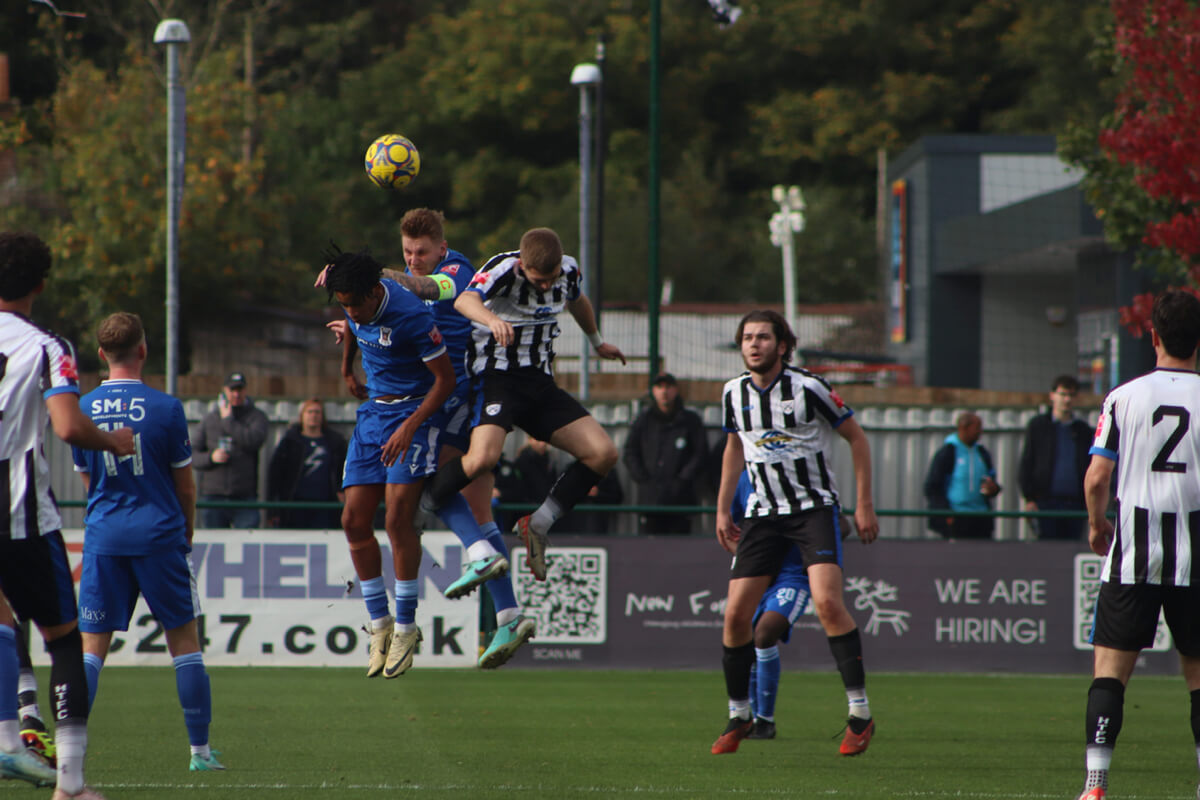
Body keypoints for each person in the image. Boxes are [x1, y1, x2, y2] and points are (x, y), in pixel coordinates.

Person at [320, 208, 537, 669]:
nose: (415, 260)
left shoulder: (454, 271)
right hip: (404, 400)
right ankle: (507, 609)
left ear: (441, 247)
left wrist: (373, 270)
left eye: (423, 251)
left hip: (457, 390)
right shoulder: (373, 298)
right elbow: (370, 320)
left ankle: (478, 577)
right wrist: (349, 350)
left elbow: (425, 290)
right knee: (455, 501)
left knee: (435, 492)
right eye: (407, 252)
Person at [0, 230, 136, 799]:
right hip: (21, 513)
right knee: (62, 639)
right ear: (41, 284)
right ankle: (71, 786)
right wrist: (115, 442)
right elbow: (67, 426)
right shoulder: (48, 346)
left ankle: (8, 738)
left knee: (3, 624)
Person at [712, 309, 879, 757]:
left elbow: (857, 439)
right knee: (735, 617)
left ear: (782, 345)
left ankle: (860, 713)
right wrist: (722, 508)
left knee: (827, 602)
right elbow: (733, 447)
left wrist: (863, 504)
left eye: (763, 337)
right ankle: (740, 714)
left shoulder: (809, 388)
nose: (754, 344)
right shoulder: (732, 393)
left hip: (813, 511)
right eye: (747, 337)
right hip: (762, 515)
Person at [421, 227, 627, 581]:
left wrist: (597, 341)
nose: (546, 286)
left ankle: (539, 523)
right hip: (497, 380)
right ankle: (424, 501)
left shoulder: (569, 271)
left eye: (551, 279)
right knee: (483, 458)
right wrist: (492, 319)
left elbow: (578, 299)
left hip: (540, 385)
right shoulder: (503, 269)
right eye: (538, 279)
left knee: (604, 452)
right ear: (522, 265)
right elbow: (463, 301)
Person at [70, 311, 224, 772]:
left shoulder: (82, 408)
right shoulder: (166, 408)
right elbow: (187, 486)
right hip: (159, 535)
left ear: (101, 354)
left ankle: (69, 755)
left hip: (105, 537)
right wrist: (187, 531)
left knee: (90, 651)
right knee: (185, 642)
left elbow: (87, 483)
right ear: (143, 349)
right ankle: (199, 753)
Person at [1073, 290, 1200, 800]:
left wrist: (1096, 523)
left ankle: (1096, 782)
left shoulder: (1122, 397)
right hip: (1196, 556)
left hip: (1133, 554)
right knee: (1197, 676)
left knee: (1110, 673)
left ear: (1153, 337)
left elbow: (1096, 476)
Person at [729, 470, 813, 741]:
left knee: (764, 634)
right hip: (754, 576)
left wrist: (808, 550)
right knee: (747, 640)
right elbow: (732, 528)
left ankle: (765, 720)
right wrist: (750, 556)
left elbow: (840, 525)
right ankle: (750, 718)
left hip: (791, 577)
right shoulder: (744, 479)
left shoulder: (800, 472)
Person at [622, 372, 708, 535]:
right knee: (649, 550)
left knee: (679, 551)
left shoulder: (690, 420)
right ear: (653, 391)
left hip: (681, 502)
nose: (664, 392)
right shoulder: (644, 420)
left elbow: (700, 454)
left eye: (668, 387)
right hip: (650, 502)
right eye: (659, 387)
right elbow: (630, 452)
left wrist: (682, 480)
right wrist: (644, 479)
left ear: (675, 390)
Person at [1018, 375, 1092, 540]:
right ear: (1052, 395)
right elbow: (1027, 462)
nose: (1067, 400)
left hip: (1075, 505)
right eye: (1062, 394)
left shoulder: (1083, 431)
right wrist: (1029, 498)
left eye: (1071, 395)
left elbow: (1090, 467)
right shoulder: (1039, 426)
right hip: (1045, 503)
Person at [192, 371, 269, 529]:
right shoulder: (210, 419)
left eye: (239, 389)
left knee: (247, 544)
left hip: (244, 497)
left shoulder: (256, 417)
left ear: (245, 391)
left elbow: (254, 441)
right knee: (215, 544)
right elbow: (191, 454)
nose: (236, 394)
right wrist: (211, 458)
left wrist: (228, 421)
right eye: (232, 390)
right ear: (224, 391)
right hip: (214, 497)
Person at [267, 398, 348, 530]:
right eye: (309, 412)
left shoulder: (335, 443)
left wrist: (341, 491)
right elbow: (275, 476)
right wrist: (273, 510)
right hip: (295, 506)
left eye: (317, 412)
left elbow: (343, 470)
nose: (313, 416)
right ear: (302, 416)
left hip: (325, 507)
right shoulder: (290, 442)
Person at [923, 411, 1001, 539]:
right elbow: (933, 486)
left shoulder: (982, 453)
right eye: (977, 428)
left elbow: (992, 480)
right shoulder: (948, 453)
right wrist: (945, 513)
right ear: (963, 428)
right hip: (956, 519)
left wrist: (993, 489)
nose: (980, 432)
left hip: (981, 519)